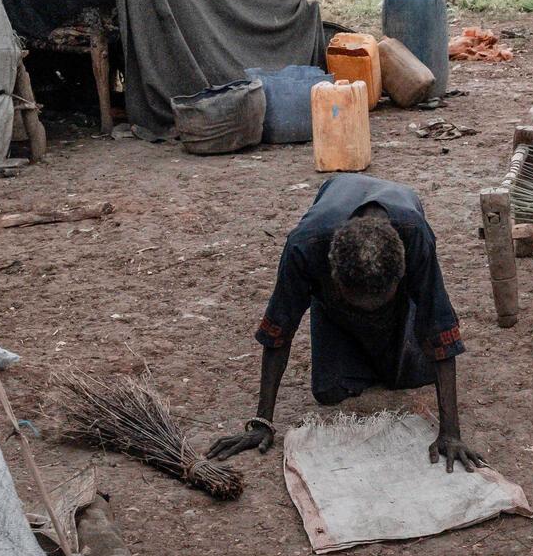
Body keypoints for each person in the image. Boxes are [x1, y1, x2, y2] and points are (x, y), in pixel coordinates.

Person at [207, 174, 483, 469]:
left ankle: (390, 331)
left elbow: (438, 325)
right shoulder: (304, 246)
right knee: (329, 392)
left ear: (401, 277)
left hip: (399, 239)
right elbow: (280, 329)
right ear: (333, 280)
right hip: (333, 289)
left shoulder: (415, 236)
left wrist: (450, 433)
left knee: (414, 374)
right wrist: (263, 421)